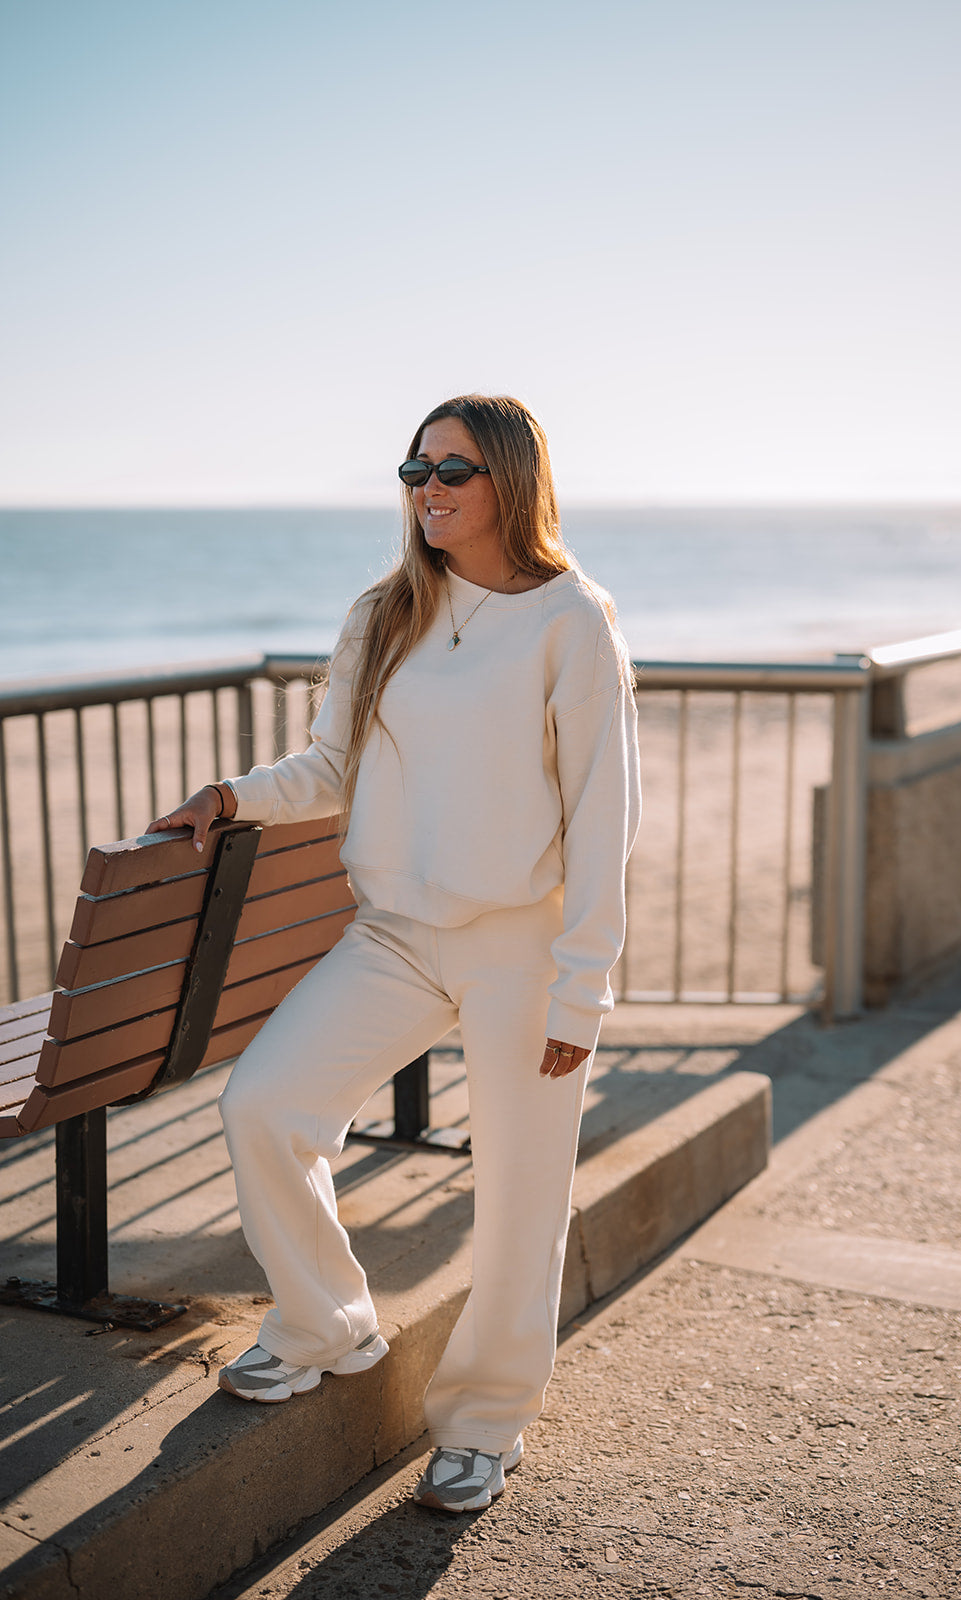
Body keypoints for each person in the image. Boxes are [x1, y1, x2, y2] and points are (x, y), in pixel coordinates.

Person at [148, 394, 640, 1513]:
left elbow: (605, 815)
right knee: (265, 1105)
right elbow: (332, 765)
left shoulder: (572, 618)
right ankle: (327, 1323)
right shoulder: (385, 610)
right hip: (392, 934)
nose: (430, 487)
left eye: (454, 470)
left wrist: (581, 987)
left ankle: (485, 1419)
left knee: (520, 1193)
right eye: (416, 466)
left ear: (510, 482)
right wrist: (234, 793)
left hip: (520, 948)